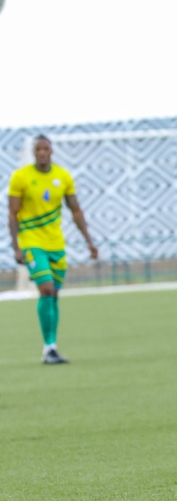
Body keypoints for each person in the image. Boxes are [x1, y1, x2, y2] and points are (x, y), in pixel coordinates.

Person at [7, 135, 99, 363]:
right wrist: (16, 247)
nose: (41, 153)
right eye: (37, 149)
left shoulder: (63, 177)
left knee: (54, 294)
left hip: (56, 244)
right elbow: (12, 213)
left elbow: (76, 211)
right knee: (46, 288)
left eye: (45, 149)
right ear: (33, 152)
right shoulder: (21, 177)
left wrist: (89, 240)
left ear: (51, 151)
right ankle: (50, 348)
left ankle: (51, 347)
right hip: (31, 242)